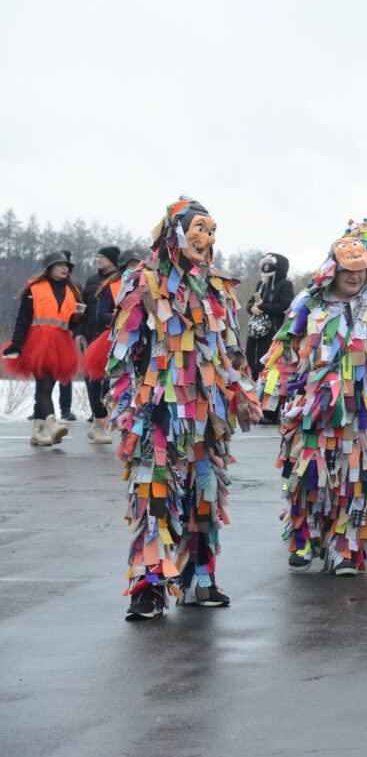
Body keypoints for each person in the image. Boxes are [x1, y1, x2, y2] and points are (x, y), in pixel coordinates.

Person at [107, 197, 262, 620]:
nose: (205, 237)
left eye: (211, 230)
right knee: (156, 496)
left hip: (208, 413)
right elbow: (122, 353)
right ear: (173, 230)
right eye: (197, 227)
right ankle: (151, 586)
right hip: (156, 412)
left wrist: (244, 394)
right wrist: (122, 402)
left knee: (205, 496)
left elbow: (231, 347)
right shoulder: (142, 281)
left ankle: (200, 579)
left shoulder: (218, 286)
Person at [257, 233, 367, 576]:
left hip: (362, 412)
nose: (354, 277)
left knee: (355, 481)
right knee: (307, 474)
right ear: (332, 270)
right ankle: (305, 538)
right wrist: (271, 391)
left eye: (361, 270)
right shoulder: (308, 305)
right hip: (314, 410)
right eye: (347, 270)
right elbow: (285, 349)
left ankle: (345, 549)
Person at [3, 252, 83, 446]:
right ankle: (52, 422)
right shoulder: (35, 288)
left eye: (67, 266)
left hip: (61, 343)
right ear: (50, 267)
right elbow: (23, 319)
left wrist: (77, 321)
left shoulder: (73, 291)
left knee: (47, 386)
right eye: (60, 265)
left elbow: (73, 322)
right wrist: (16, 343)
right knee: (44, 384)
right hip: (38, 342)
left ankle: (37, 433)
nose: (65, 268)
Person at [78, 246, 121, 434]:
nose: (98, 259)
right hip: (92, 335)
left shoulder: (122, 282)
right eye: (97, 256)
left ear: (113, 260)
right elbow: (82, 308)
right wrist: (79, 331)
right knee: (92, 378)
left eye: (102, 257)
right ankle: (96, 416)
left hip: (112, 336)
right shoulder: (92, 280)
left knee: (108, 379)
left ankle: (103, 414)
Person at [244, 252, 294, 385]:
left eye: (269, 265)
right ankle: (251, 381)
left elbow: (286, 306)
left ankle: (265, 387)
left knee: (267, 361)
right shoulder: (261, 283)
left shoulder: (285, 284)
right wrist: (252, 308)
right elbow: (250, 302)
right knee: (251, 358)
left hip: (273, 331)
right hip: (256, 332)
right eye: (264, 265)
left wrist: (263, 307)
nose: (266, 267)